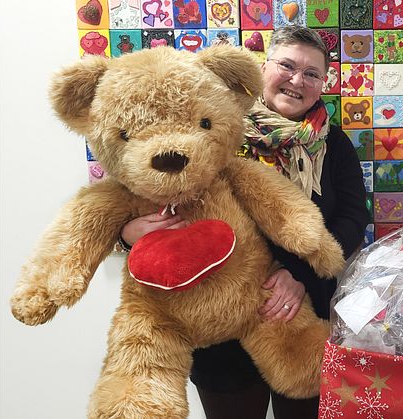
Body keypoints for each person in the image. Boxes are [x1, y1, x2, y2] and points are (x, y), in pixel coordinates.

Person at [118, 26, 369, 419]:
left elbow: (354, 217)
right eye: (287, 65)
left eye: (312, 73)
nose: (296, 80)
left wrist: (298, 274)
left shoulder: (333, 145)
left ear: (323, 83)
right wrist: (127, 235)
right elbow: (142, 193)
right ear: (263, 67)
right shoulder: (213, 129)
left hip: (301, 313)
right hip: (217, 319)